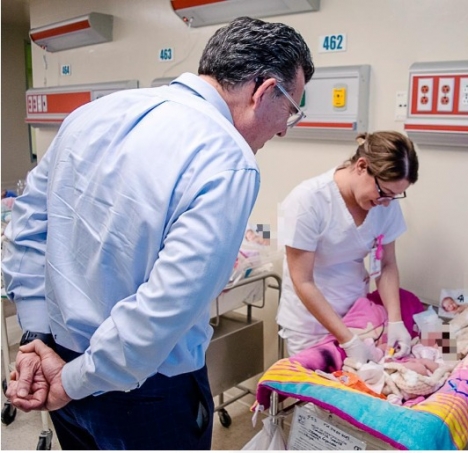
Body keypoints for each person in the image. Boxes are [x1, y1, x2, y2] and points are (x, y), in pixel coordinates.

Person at [2, 16, 313, 450]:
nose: (282, 128)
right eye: (291, 111)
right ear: (264, 92)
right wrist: (73, 380)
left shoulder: (92, 115)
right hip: (143, 393)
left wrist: (36, 335)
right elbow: (165, 306)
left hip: (60, 360)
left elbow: (27, 227)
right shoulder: (228, 158)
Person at [277, 131, 419, 363]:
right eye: (383, 192)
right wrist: (348, 340)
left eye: (394, 196)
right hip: (310, 323)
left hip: (358, 314)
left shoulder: (384, 203)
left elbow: (387, 264)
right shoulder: (308, 201)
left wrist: (395, 320)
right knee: (318, 385)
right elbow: (302, 281)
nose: (386, 203)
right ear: (362, 166)